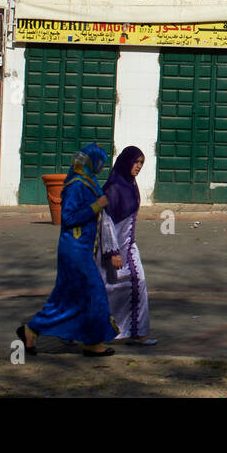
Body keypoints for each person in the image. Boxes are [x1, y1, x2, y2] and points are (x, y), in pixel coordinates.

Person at [17, 144, 118, 357]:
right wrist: (96, 206)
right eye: (100, 161)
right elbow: (68, 217)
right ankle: (92, 341)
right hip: (75, 249)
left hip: (83, 248)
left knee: (68, 295)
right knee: (95, 292)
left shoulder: (89, 181)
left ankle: (31, 330)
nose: (102, 166)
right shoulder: (76, 184)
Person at [99, 145, 155, 345]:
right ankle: (96, 332)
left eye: (141, 163)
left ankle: (138, 332)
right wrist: (113, 251)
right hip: (112, 249)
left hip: (129, 246)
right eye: (136, 162)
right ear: (125, 162)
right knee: (106, 289)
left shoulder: (131, 185)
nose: (138, 166)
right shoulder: (113, 188)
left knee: (137, 283)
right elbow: (106, 222)